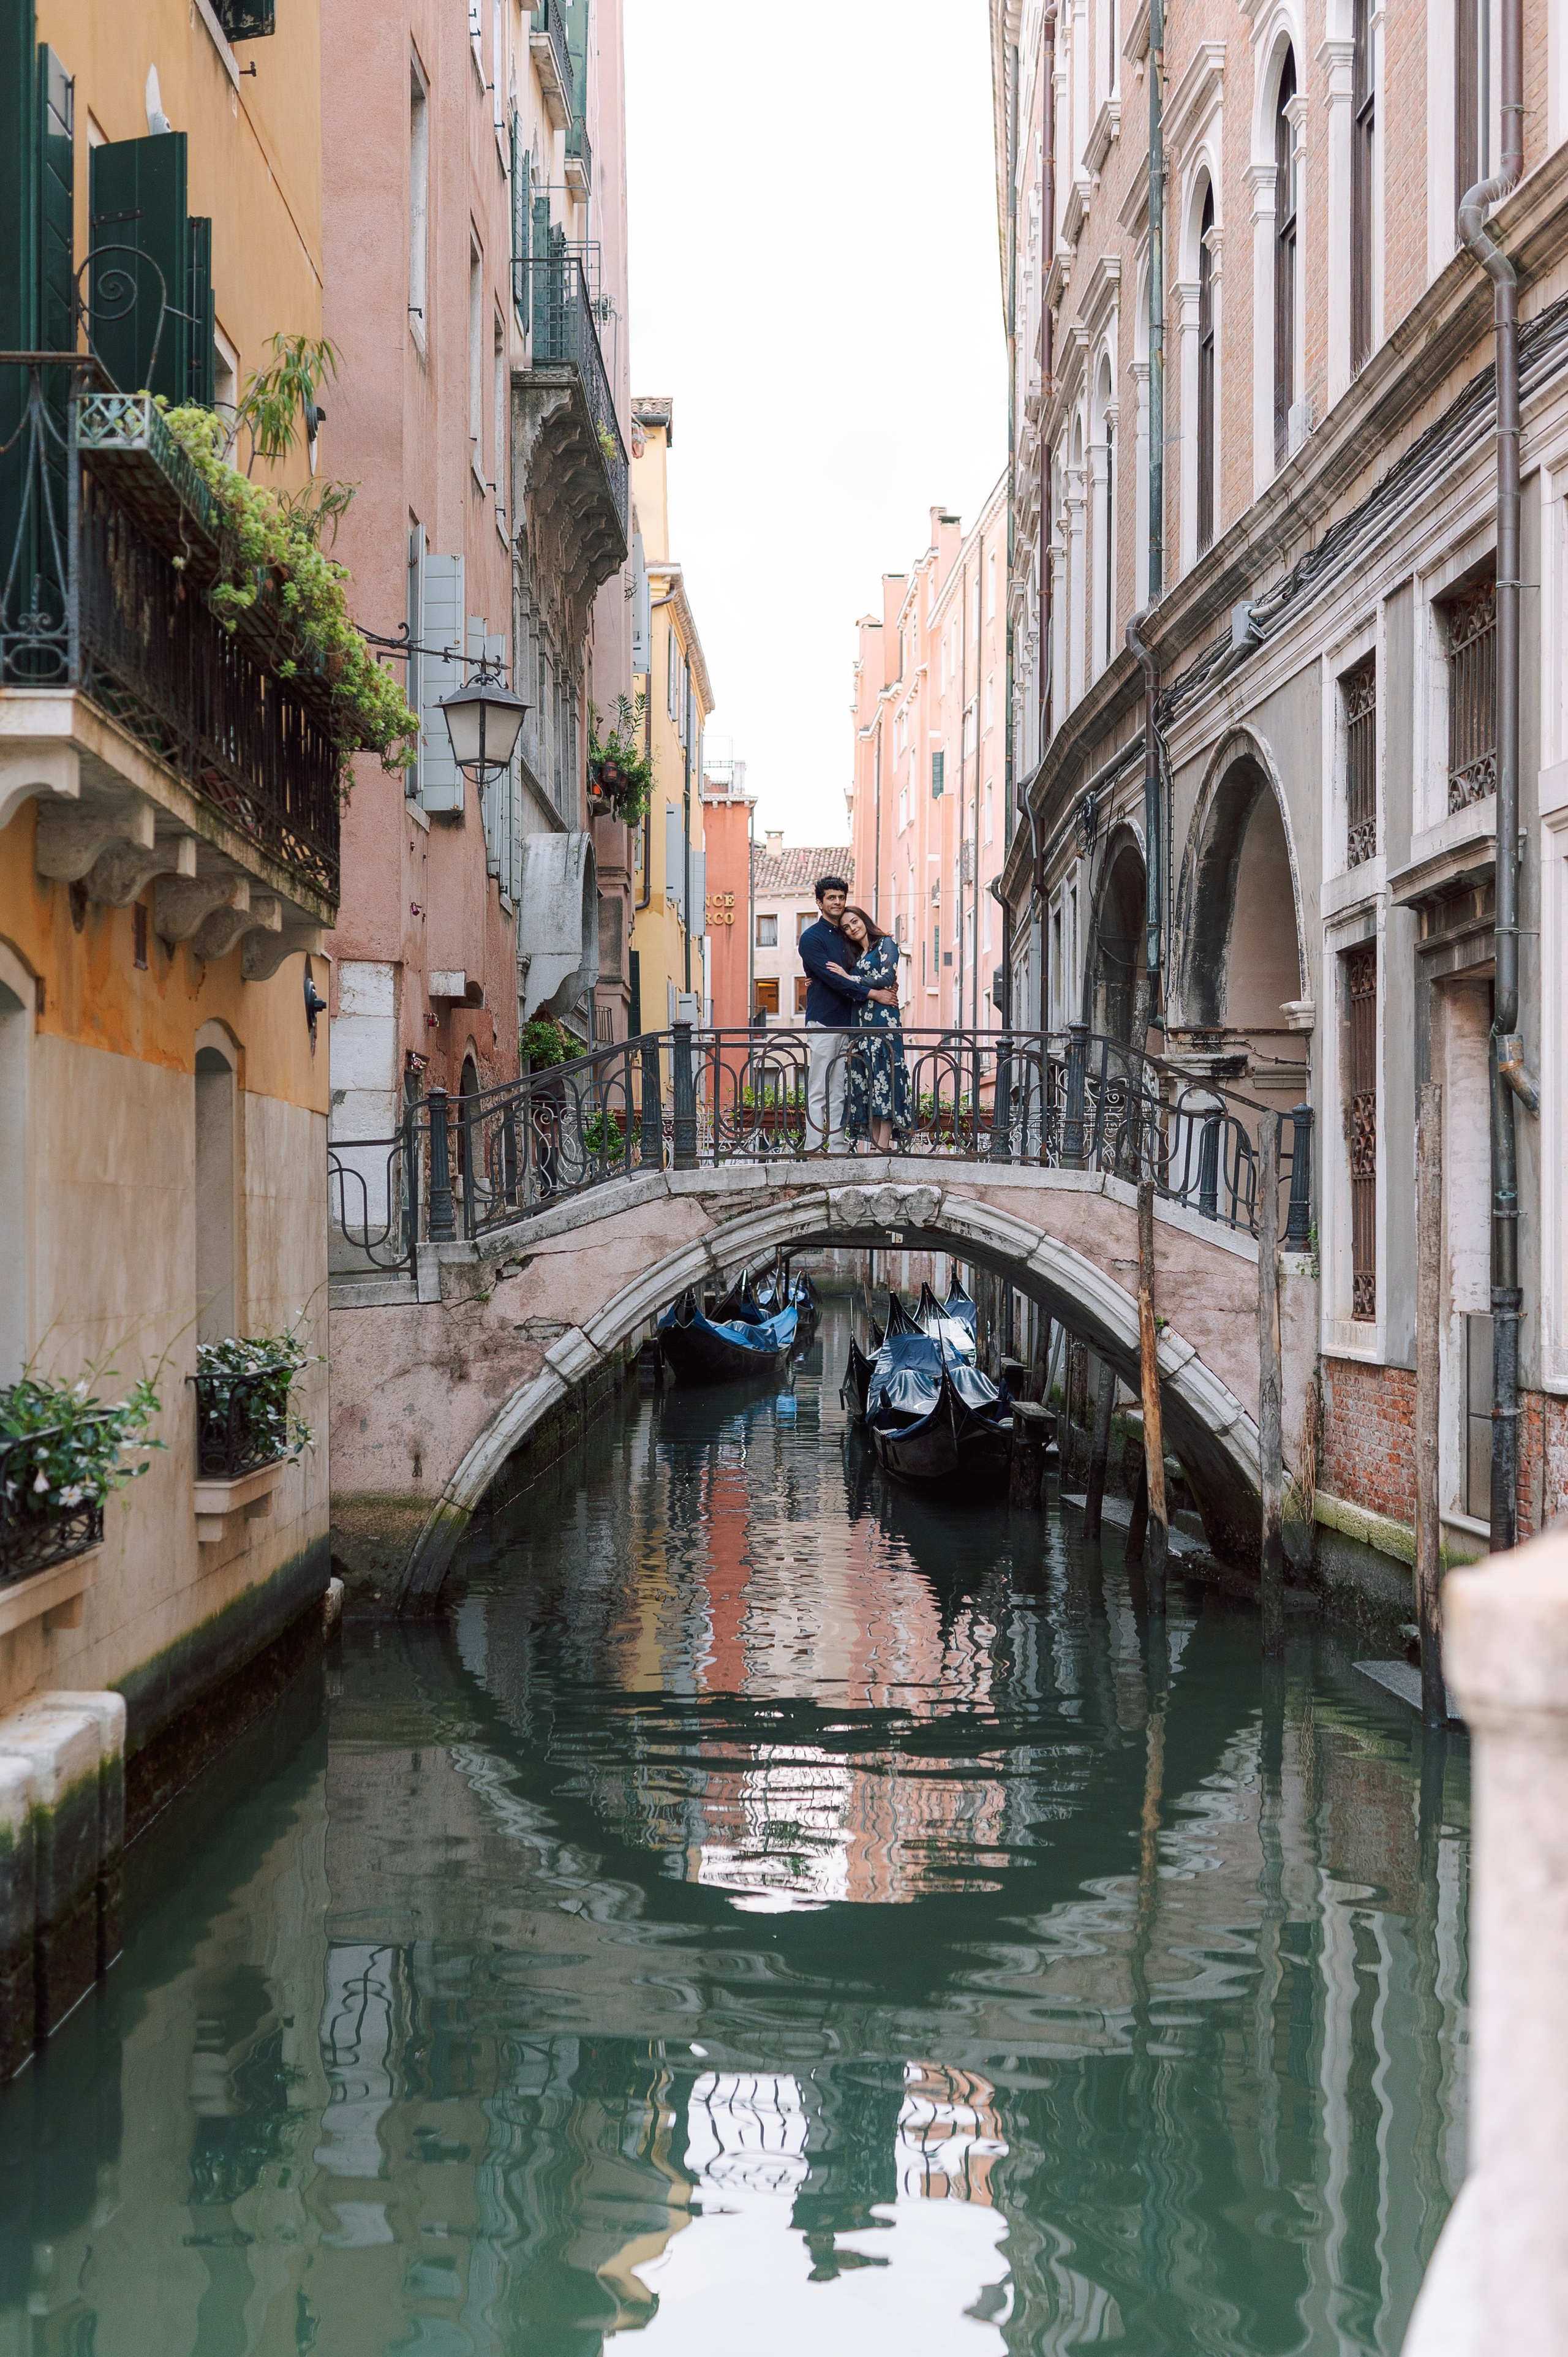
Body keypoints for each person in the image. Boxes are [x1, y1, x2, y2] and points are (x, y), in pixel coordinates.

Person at [797, 874, 897, 1151]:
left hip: (852, 1024)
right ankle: (815, 1148)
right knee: (819, 1088)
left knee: (840, 1090)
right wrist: (874, 994)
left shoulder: (848, 936)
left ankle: (838, 1149)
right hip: (825, 1021)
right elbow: (835, 980)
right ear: (819, 902)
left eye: (841, 897)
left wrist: (884, 983)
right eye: (831, 898)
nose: (837, 902)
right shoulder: (810, 938)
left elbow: (863, 970)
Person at [830, 906, 910, 1151]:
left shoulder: (886, 944)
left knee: (885, 1078)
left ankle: (882, 1146)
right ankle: (876, 1145)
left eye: (855, 922)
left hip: (883, 1022)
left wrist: (850, 978)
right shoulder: (856, 956)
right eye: (847, 927)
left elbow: (887, 979)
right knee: (870, 1082)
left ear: (864, 920)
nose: (853, 928)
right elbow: (842, 981)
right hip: (861, 1026)